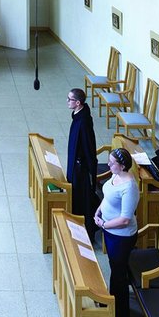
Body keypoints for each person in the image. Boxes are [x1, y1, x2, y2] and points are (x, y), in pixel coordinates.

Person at [93, 146, 139, 317]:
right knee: (114, 268)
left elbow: (125, 219)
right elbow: (107, 195)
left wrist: (103, 223)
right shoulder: (116, 175)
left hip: (121, 237)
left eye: (112, 163)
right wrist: (99, 210)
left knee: (118, 273)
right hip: (110, 231)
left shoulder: (130, 187)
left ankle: (120, 314)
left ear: (122, 165)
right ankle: (113, 302)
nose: (109, 165)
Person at [66, 88, 97, 239]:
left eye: (69, 99)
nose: (67, 101)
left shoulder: (83, 122)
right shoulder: (78, 115)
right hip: (75, 163)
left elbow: (88, 146)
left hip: (81, 168)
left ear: (78, 103)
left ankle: (85, 230)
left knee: (81, 199)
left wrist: (89, 168)